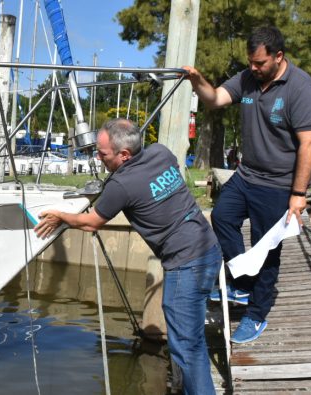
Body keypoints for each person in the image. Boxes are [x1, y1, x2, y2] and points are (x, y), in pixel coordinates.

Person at [35, 118, 220, 395]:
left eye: (103, 154)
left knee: (186, 345)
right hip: (209, 249)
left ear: (124, 155)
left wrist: (61, 215)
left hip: (184, 264)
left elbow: (91, 222)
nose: (98, 158)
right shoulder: (161, 152)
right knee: (192, 337)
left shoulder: (121, 185)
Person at [182, 26, 311, 344]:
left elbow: (309, 143)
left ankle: (257, 315)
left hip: (279, 185)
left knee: (266, 249)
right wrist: (196, 79)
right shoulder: (247, 79)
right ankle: (243, 282)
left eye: (260, 63)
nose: (253, 68)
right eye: (251, 62)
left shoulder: (301, 88)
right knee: (221, 218)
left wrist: (298, 195)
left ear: (278, 56)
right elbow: (215, 98)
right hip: (246, 176)